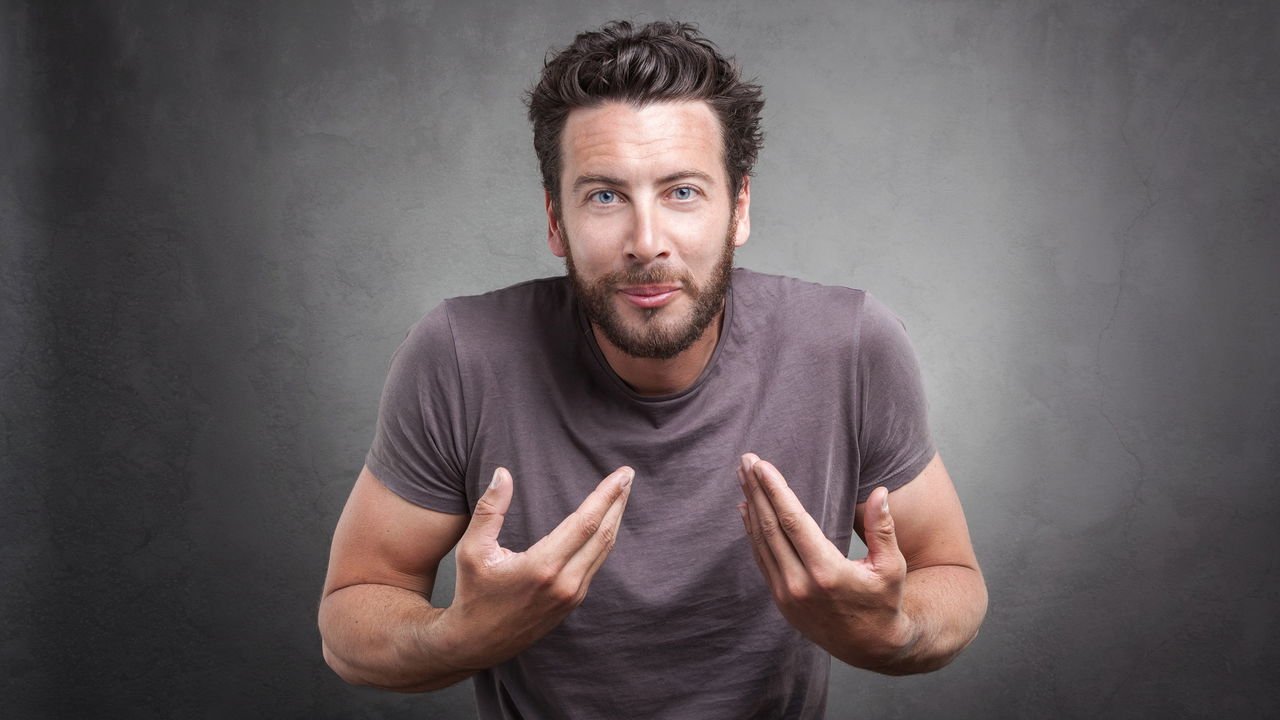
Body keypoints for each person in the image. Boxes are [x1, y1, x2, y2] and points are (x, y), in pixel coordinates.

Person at [318, 19, 987, 719]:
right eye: (605, 196)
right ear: (555, 220)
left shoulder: (849, 345)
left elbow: (952, 574)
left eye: (682, 192)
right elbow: (350, 620)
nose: (646, 242)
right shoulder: (461, 354)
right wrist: (461, 637)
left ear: (739, 209)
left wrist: (891, 633)